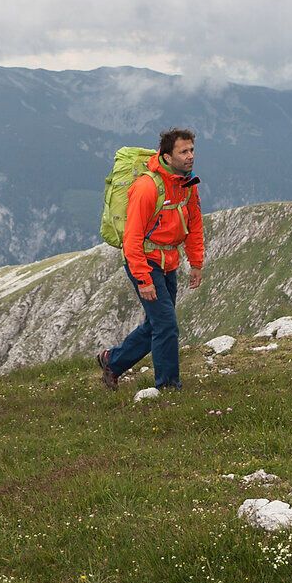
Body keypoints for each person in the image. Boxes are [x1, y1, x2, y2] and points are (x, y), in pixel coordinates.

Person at [96, 128, 205, 391]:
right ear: (167, 156)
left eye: (192, 150)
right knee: (166, 325)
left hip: (169, 261)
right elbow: (132, 238)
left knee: (156, 324)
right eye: (184, 151)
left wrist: (196, 262)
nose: (190, 156)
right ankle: (168, 387)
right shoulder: (147, 187)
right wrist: (143, 278)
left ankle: (112, 361)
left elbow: (194, 223)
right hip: (146, 261)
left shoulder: (186, 183)